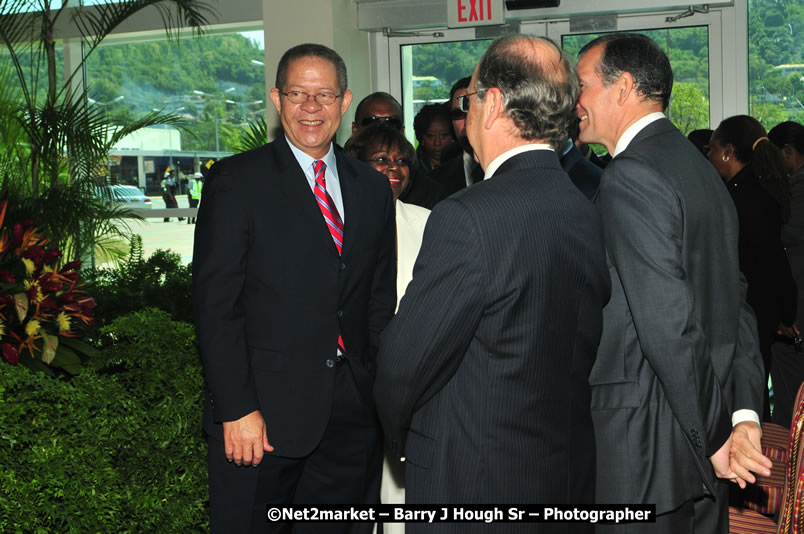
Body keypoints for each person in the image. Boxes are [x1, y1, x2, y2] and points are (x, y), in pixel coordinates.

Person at [375, 35, 610, 531]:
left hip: (474, 482)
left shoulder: (468, 216)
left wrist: (399, 440)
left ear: (495, 103)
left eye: (470, 99)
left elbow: (404, 364)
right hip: (562, 473)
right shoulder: (584, 206)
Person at [193, 43, 396, 534]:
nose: (311, 108)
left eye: (323, 95)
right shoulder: (236, 182)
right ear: (277, 99)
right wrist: (237, 408)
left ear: (345, 102)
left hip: (352, 418)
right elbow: (216, 306)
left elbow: (376, 300)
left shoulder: (371, 188)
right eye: (298, 94)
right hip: (261, 420)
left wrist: (376, 396)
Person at [576, 33, 770, 532]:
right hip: (699, 445)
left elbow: (668, 325)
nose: (576, 103)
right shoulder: (701, 171)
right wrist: (742, 414)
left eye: (582, 86)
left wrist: (715, 436)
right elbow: (737, 303)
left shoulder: (630, 176)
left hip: (647, 451)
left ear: (621, 88)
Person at [344, 124, 429, 534]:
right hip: (354, 384)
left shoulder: (430, 222)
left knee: (400, 497)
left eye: (401, 161)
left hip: (410, 384)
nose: (394, 169)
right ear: (354, 166)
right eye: (381, 160)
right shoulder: (337, 225)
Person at [707, 115, 797, 422]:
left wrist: (786, 313)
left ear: (728, 151)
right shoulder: (747, 191)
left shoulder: (745, 197)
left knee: (750, 390)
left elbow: (771, 259)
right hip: (757, 307)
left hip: (753, 309)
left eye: (712, 149)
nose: (709, 157)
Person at [350, 92, 446, 209]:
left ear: (402, 130)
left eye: (392, 123)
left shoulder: (429, 195)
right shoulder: (337, 186)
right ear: (355, 129)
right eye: (372, 122)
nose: (382, 130)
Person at [769, 120, 804, 425]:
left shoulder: (794, 196)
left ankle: (789, 471)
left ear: (788, 152)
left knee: (789, 405)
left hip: (794, 317)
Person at [431, 76, 484, 196]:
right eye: (458, 114)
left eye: (472, 111)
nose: (467, 121)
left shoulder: (512, 171)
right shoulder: (434, 181)